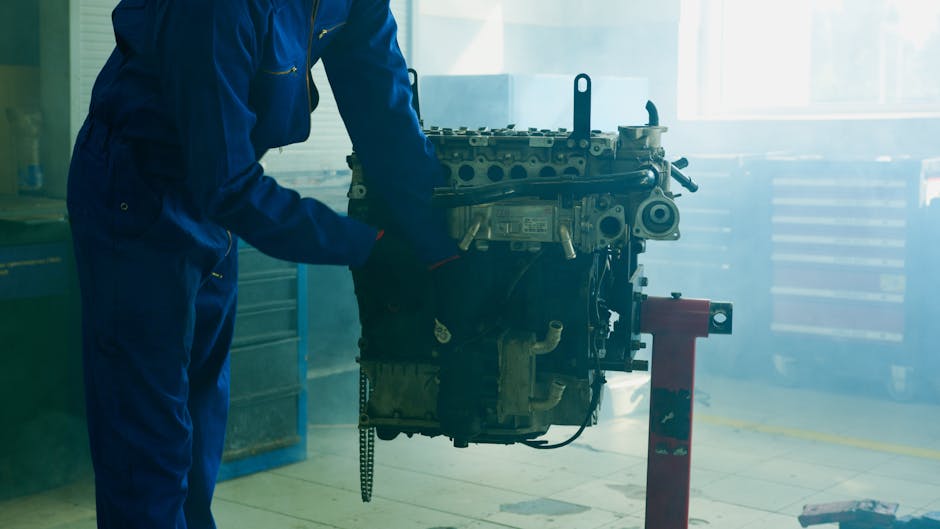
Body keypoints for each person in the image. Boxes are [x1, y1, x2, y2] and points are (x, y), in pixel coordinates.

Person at [66, 1, 457, 527]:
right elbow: (225, 185)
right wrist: (366, 247)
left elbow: (385, 115)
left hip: (212, 190)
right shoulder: (213, 10)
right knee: (150, 440)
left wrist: (442, 251)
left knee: (200, 429)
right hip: (136, 192)